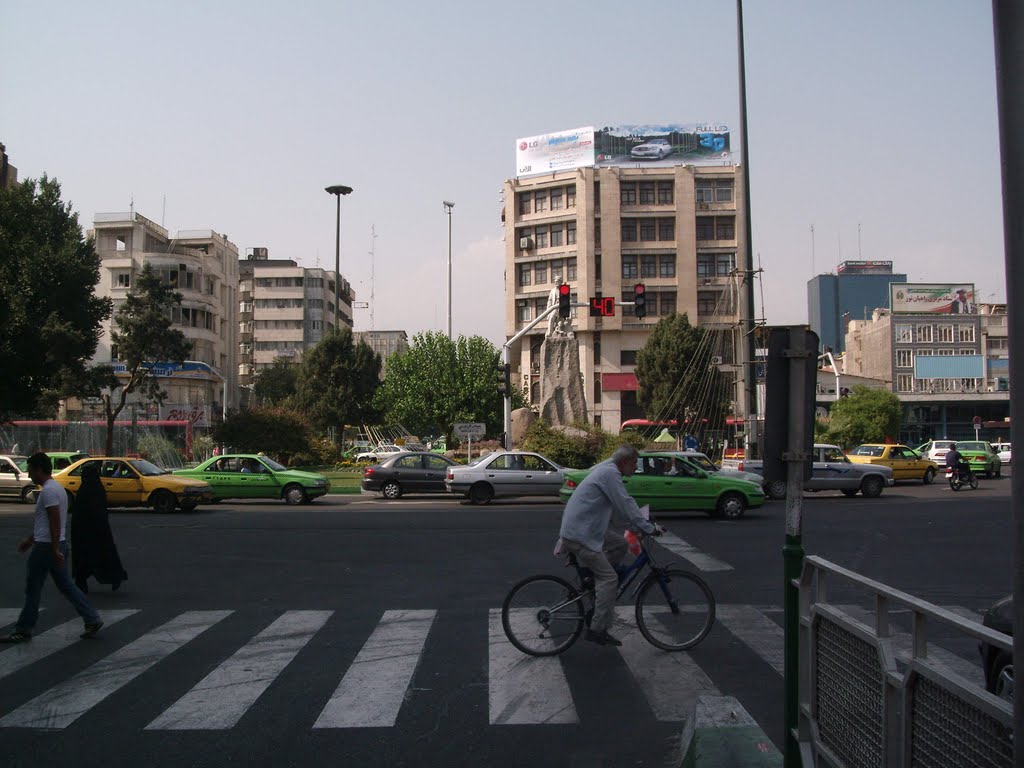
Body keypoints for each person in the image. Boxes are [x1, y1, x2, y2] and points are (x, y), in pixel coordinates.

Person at [557, 444, 662, 647]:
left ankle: (594, 580)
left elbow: (617, 513)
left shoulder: (608, 471)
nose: (635, 468)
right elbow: (625, 503)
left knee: (621, 544)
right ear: (624, 462)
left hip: (587, 529)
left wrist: (639, 525)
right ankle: (597, 629)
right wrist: (647, 528)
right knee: (610, 578)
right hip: (581, 534)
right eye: (634, 463)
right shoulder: (610, 474)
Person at [0, 453, 103, 643]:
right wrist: (32, 541)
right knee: (66, 586)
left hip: (47, 548)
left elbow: (54, 521)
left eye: (30, 469)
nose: (29, 474)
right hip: (54, 544)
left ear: (39, 469)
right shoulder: (57, 488)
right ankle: (92, 618)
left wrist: (53, 549)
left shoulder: (48, 491)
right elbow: (48, 523)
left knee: (33, 589)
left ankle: (23, 629)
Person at [70, 463, 127, 594]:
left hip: (84, 533)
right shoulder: (97, 488)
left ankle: (82, 583)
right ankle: (114, 577)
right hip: (99, 532)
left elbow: (80, 513)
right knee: (103, 556)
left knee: (84, 559)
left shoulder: (85, 489)